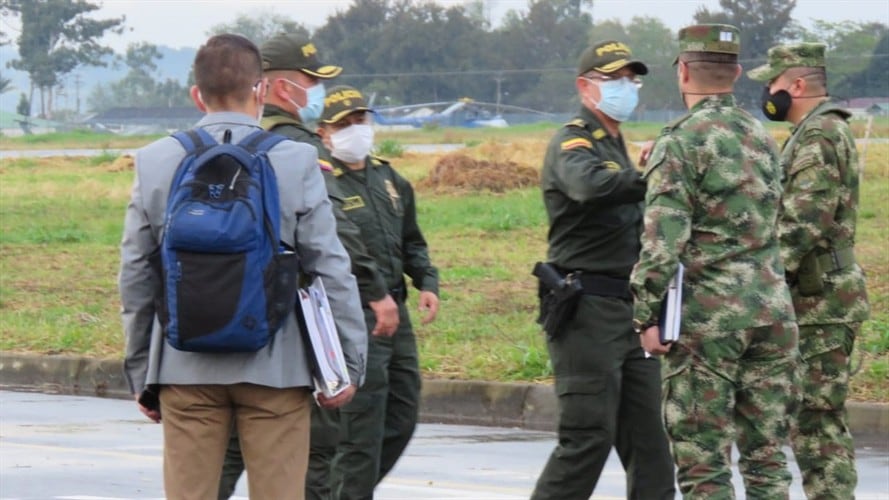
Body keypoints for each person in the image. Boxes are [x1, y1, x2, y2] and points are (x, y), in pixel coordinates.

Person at [119, 33, 367, 500]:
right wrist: (347, 363)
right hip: (278, 367)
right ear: (261, 90)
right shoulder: (297, 160)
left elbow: (135, 271)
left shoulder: (155, 160)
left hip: (183, 366)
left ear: (197, 95)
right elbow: (330, 266)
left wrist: (140, 373)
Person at [217, 33, 399, 500]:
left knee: (229, 446)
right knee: (314, 447)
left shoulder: (233, 140)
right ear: (283, 88)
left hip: (232, 308)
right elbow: (332, 235)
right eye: (311, 80)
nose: (317, 90)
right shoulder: (299, 147)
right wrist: (374, 291)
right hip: (295, 310)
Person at [630, 24, 800, 498]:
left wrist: (645, 315)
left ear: (683, 72)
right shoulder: (762, 137)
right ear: (738, 73)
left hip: (709, 322)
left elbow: (662, 242)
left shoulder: (679, 142)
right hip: (772, 314)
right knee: (767, 461)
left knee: (703, 464)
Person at [530, 40, 675, 499]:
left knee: (652, 444)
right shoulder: (573, 141)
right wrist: (651, 174)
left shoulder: (615, 144)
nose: (626, 87)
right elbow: (589, 186)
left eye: (631, 79)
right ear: (584, 86)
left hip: (630, 310)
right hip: (587, 310)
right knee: (587, 438)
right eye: (614, 79)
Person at [748, 42, 871, 499]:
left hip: (821, 302)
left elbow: (802, 223)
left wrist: (756, 284)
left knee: (817, 428)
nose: (768, 91)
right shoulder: (817, 131)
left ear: (796, 85)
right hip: (818, 298)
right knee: (814, 423)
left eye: (773, 82)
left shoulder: (819, 135)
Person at [316, 85, 440, 499]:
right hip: (357, 315)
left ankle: (342, 490)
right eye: (343, 124)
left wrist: (426, 282)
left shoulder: (390, 179)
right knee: (361, 428)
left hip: (395, 312)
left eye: (361, 120)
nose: (356, 129)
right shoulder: (326, 183)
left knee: (402, 416)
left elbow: (412, 240)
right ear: (323, 133)